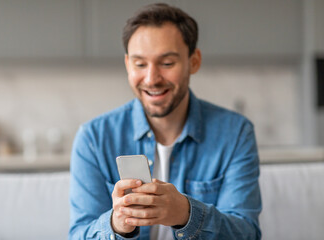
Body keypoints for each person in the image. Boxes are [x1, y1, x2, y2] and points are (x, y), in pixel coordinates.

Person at [69, 3, 261, 240]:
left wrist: (186, 214)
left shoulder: (235, 133)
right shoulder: (93, 139)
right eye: (140, 64)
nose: (151, 79)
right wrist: (116, 224)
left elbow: (247, 234)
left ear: (194, 61)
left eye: (167, 63)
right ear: (128, 65)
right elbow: (79, 235)